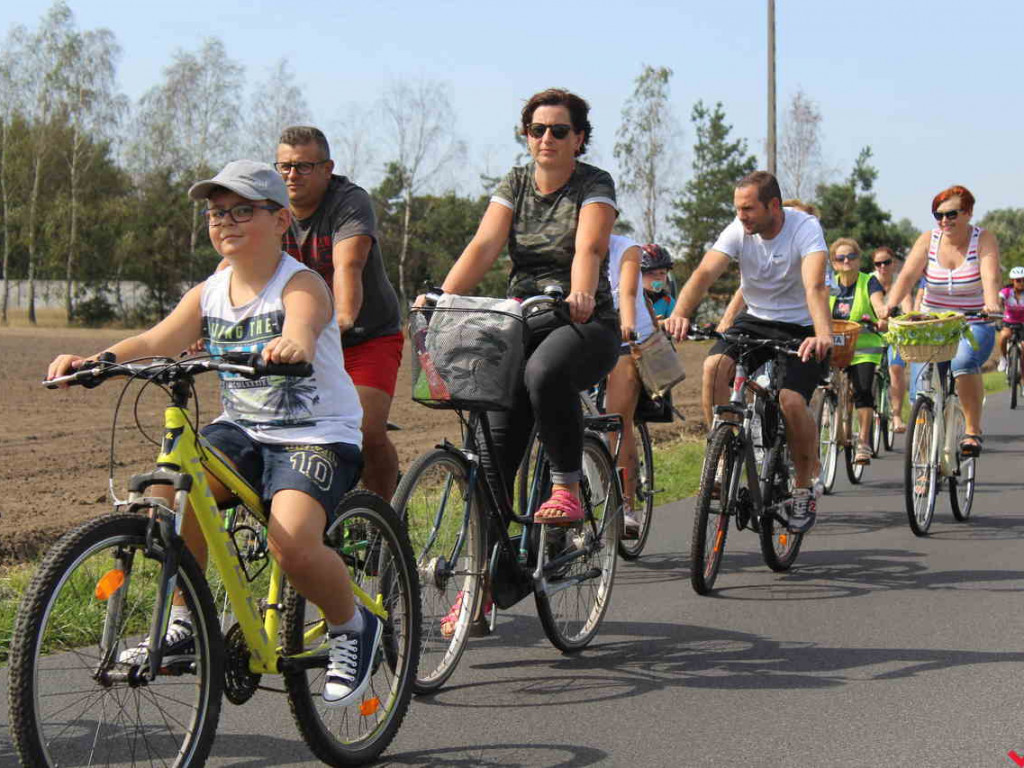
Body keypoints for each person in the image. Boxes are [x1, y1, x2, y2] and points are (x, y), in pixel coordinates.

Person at [46, 161, 380, 707]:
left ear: (278, 221)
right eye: (215, 212)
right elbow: (160, 337)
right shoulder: (210, 291)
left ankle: (352, 626)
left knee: (292, 544)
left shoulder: (300, 283)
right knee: (167, 496)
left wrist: (293, 343)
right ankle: (183, 623)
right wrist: (96, 362)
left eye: (242, 210)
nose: (225, 221)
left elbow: (305, 318)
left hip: (314, 434)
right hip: (243, 430)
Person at [429, 87, 620, 524]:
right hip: (523, 319)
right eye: (537, 130)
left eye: (559, 130)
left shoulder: (594, 183)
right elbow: (484, 245)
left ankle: (566, 487)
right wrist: (445, 298)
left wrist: (582, 294)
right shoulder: (515, 183)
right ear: (526, 136)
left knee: (544, 372)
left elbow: (588, 247)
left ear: (579, 139)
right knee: (491, 454)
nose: (546, 138)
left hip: (582, 321)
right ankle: (492, 579)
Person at [664, 171, 831, 533]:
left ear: (774, 205)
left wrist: (822, 334)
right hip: (754, 320)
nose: (741, 216)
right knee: (713, 367)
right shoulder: (739, 230)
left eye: (748, 208)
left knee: (789, 401)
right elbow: (705, 272)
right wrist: (680, 313)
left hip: (802, 327)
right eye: (737, 209)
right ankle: (721, 456)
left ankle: (803, 487)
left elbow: (815, 285)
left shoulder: (805, 228)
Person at [275, 126, 403, 500]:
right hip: (299, 335)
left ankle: (386, 516)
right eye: (284, 167)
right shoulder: (270, 207)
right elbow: (236, 264)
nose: (291, 176)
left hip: (366, 336)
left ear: (328, 168)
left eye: (303, 167)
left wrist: (343, 318)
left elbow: (349, 264)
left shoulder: (348, 201)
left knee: (364, 431)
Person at [881, 184, 1001, 457]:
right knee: (920, 393)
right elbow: (907, 277)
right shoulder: (928, 240)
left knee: (962, 361)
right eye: (939, 215)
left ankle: (972, 431)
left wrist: (991, 302)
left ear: (968, 213)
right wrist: (889, 305)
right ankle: (922, 465)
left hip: (972, 322)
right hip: (932, 324)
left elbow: (990, 276)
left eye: (951, 214)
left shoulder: (983, 240)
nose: (944, 221)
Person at [603, 233, 648, 537]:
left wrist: (627, 324)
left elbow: (628, 293)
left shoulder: (625, 248)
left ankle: (627, 506)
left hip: (626, 336)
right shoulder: (560, 245)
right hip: (582, 333)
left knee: (616, 421)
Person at [829, 238, 886, 464]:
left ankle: (863, 441)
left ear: (858, 260)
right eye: (840, 258)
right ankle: (830, 417)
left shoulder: (869, 281)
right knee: (824, 385)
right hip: (835, 347)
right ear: (833, 263)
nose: (846, 261)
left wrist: (881, 314)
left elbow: (878, 302)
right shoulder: (829, 283)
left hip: (864, 347)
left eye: (851, 257)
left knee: (863, 390)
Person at [871, 246, 912, 432]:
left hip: (895, 332)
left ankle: (896, 416)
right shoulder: (870, 281)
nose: (882, 267)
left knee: (896, 368)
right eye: (878, 263)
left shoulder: (900, 282)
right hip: (873, 332)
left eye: (886, 262)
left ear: (893, 263)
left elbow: (908, 307)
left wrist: (908, 318)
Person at [997, 266, 1024, 371]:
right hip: (1009, 322)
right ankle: (1003, 359)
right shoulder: (1006, 291)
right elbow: (999, 301)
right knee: (1004, 336)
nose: (1021, 283)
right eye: (1018, 280)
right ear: (1012, 281)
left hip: (1022, 324)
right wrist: (997, 308)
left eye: (1023, 280)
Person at [639, 243, 676, 318]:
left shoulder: (668, 301)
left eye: (662, 273)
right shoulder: (632, 298)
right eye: (651, 273)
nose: (658, 277)